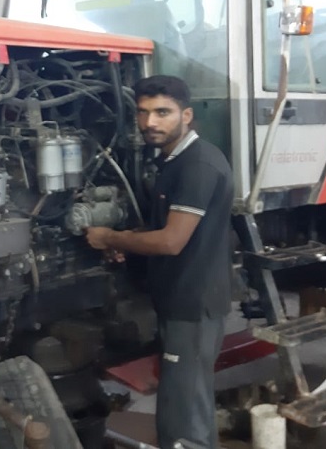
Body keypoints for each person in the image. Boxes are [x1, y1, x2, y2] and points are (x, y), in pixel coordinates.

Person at [86, 74, 235, 449]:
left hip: (193, 302)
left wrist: (110, 237)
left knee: (183, 414)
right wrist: (132, 242)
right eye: (143, 112)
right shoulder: (174, 160)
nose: (150, 122)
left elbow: (171, 241)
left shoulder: (198, 165)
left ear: (187, 115)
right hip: (181, 298)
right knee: (186, 400)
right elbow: (166, 229)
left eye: (162, 112)